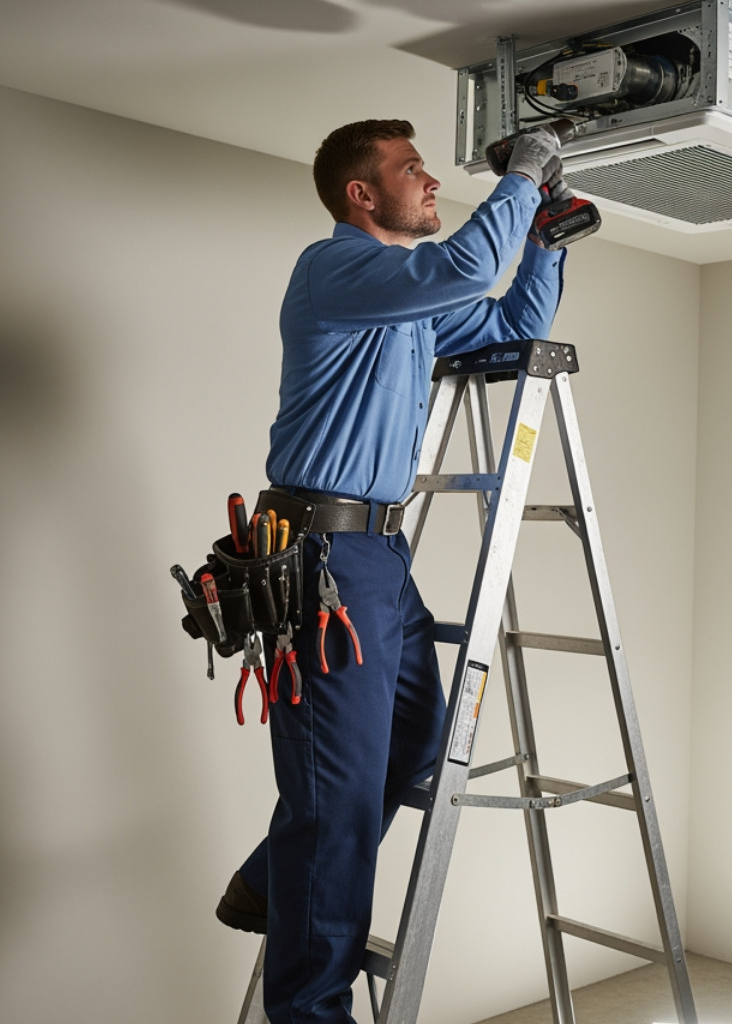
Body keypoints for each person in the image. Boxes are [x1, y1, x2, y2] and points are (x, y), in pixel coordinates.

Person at [212, 118, 566, 1024]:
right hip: (320, 553)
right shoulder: (336, 269)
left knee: (416, 746)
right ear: (362, 196)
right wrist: (519, 179)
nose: (431, 182)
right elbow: (457, 270)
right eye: (412, 171)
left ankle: (267, 881)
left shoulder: (406, 293)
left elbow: (506, 330)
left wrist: (544, 244)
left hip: (377, 555)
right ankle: (311, 1011)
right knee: (335, 808)